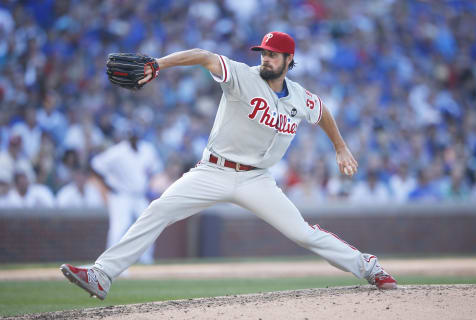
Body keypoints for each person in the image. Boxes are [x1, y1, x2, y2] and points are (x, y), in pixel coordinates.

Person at [60, 31, 397, 300]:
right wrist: (159, 64)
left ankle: (369, 267)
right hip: (213, 170)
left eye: (273, 54)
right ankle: (102, 275)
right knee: (158, 209)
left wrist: (340, 147)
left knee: (303, 233)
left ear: (289, 59)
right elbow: (205, 56)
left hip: (257, 181)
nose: (265, 58)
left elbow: (321, 111)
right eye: (263, 53)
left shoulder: (300, 98)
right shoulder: (241, 76)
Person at [89, 126, 161, 266]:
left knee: (150, 224)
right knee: (119, 227)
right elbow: (95, 165)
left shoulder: (147, 149)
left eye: (136, 135)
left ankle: (146, 260)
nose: (134, 137)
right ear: (127, 136)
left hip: (139, 196)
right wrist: (107, 184)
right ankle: (109, 262)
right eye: (131, 135)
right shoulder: (117, 151)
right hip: (120, 195)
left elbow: (155, 168)